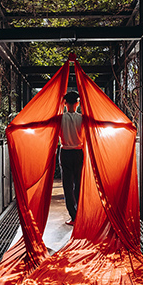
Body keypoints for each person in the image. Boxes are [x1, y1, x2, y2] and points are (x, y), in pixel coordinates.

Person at [59, 88, 84, 224]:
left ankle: (74, 217)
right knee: (79, 184)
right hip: (79, 153)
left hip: (65, 153)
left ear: (64, 103)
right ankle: (79, 214)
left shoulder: (60, 119)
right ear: (78, 103)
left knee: (67, 186)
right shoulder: (82, 119)